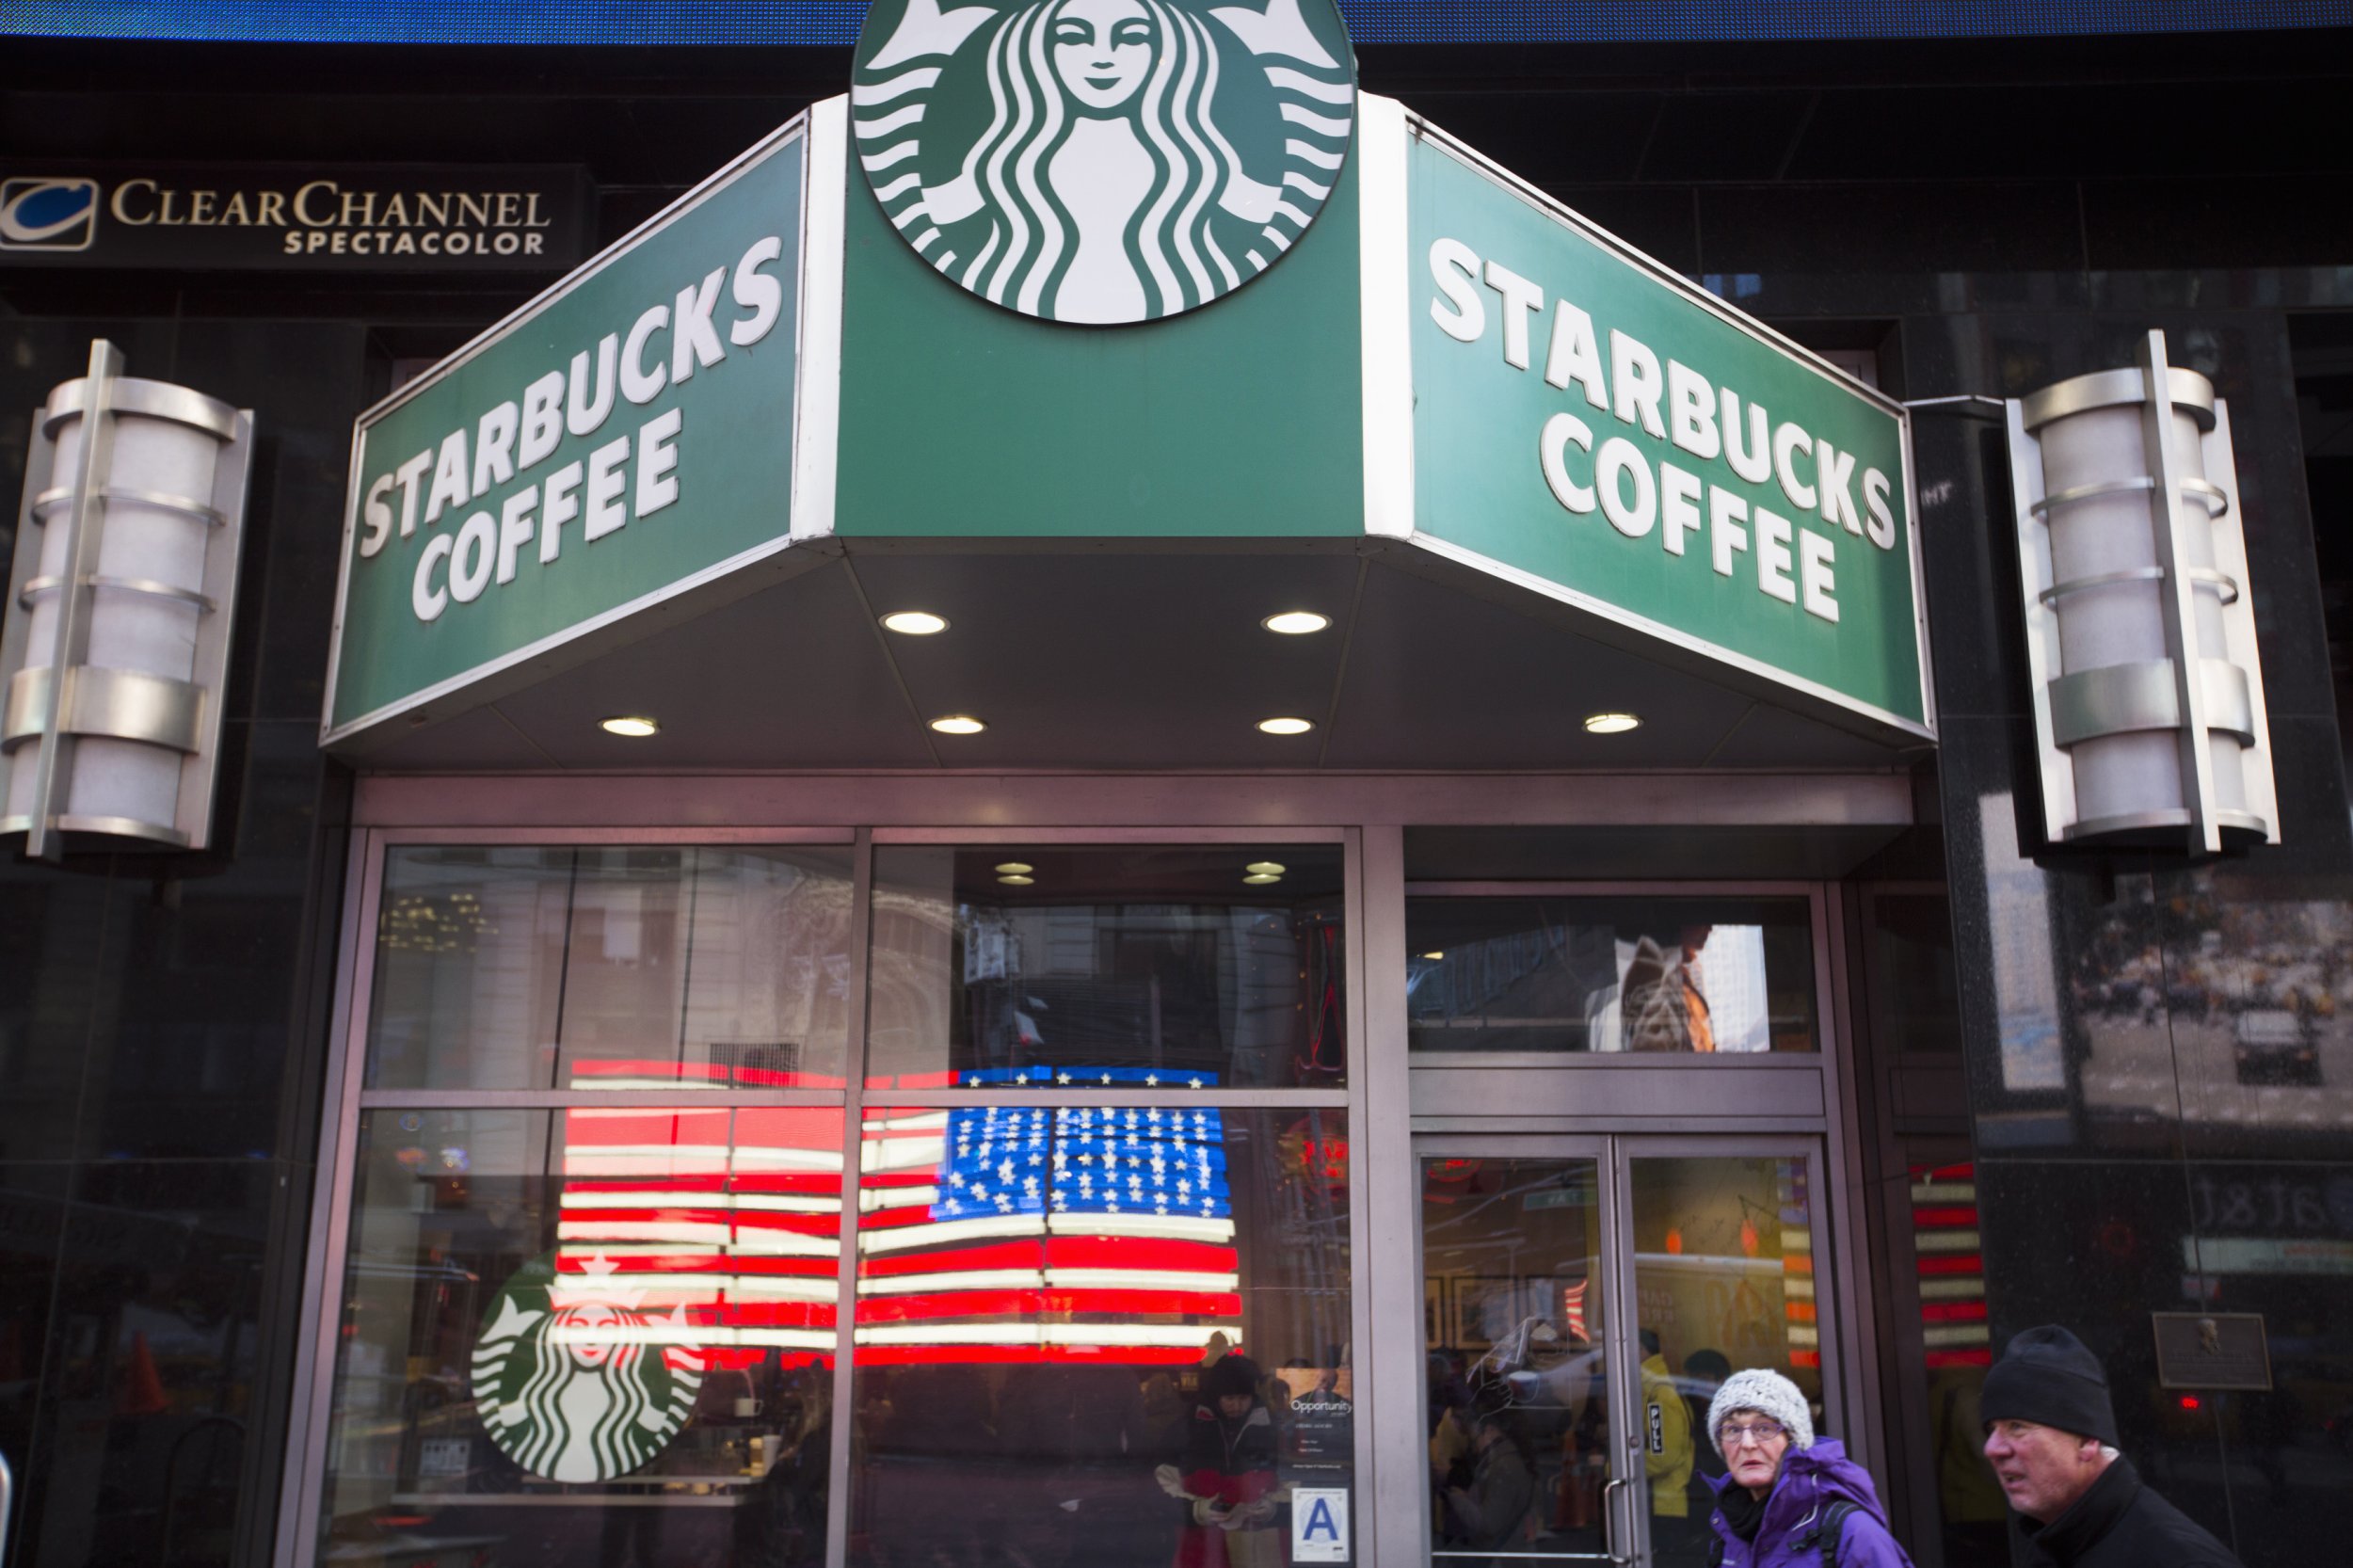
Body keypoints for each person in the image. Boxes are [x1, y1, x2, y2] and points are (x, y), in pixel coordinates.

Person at [1978, 1325, 2243, 1566]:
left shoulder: (2181, 1559)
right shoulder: (2055, 1545)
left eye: (2017, 1426)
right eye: (1992, 1429)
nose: (1992, 1449)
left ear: (2087, 1441)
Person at [1701, 1368, 1913, 1567]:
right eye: (1733, 1430)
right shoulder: (1727, 1530)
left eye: (1764, 1428)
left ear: (1794, 1440)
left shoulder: (1852, 1531)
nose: (1747, 1443)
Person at [1166, 1352, 1281, 1568]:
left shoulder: (1268, 1428)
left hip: (1253, 1545)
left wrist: (1272, 1507)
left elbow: (1290, 1481)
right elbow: (1163, 1484)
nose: (1236, 1406)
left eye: (1243, 1398)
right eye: (1229, 1398)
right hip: (1201, 1542)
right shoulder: (1189, 1428)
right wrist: (1194, 1509)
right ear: (1215, 1397)